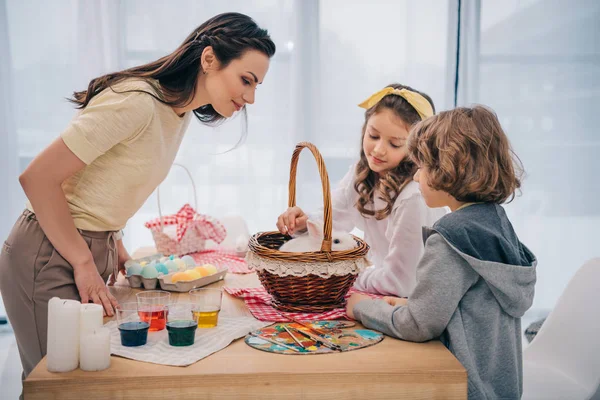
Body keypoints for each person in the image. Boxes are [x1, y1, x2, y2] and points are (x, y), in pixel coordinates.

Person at [0, 12, 275, 379]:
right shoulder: (137, 102)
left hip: (89, 247)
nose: (251, 97)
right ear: (209, 59)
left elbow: (105, 181)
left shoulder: (179, 114)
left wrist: (114, 243)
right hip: (50, 251)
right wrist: (84, 262)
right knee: (56, 384)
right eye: (247, 80)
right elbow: (37, 179)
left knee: (91, 381)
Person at [346, 105, 537, 399]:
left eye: (422, 167)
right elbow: (465, 304)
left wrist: (361, 307)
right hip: (499, 388)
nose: (417, 177)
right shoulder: (494, 223)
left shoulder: (451, 238)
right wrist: (412, 305)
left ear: (450, 170)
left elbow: (418, 326)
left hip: (460, 387)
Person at [277, 84, 446, 296]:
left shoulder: (413, 197)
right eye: (373, 136)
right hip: (382, 290)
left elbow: (402, 283)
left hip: (413, 301)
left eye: (394, 144)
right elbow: (332, 220)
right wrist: (303, 223)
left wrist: (346, 273)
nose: (378, 150)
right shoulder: (363, 174)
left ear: (415, 149)